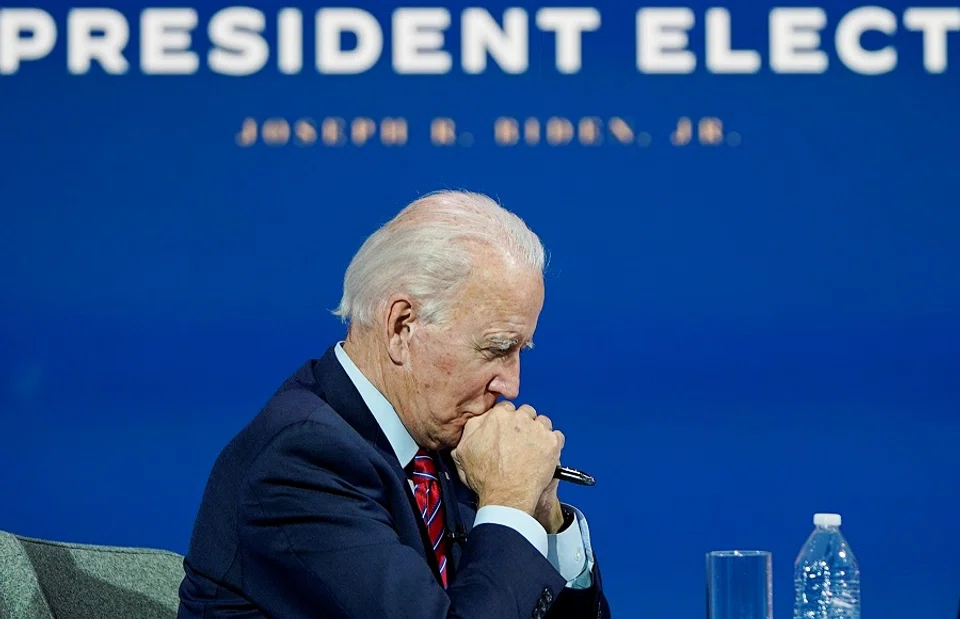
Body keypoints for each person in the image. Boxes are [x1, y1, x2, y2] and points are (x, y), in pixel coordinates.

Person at [177, 190, 610, 619]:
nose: (512, 385)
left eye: (521, 350)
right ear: (402, 327)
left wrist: (544, 517)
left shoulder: (446, 438)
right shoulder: (300, 464)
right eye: (497, 349)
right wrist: (509, 501)